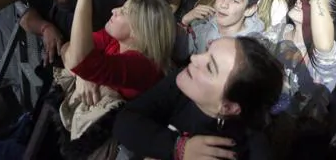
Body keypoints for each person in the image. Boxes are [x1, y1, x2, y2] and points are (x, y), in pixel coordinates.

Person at [113, 36, 284, 159]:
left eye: (210, 67)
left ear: (229, 107)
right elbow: (126, 121)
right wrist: (178, 148)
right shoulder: (183, 81)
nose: (194, 58)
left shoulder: (250, 148)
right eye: (206, 51)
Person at [63, 0, 176, 100]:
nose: (114, 11)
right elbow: (69, 48)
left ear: (138, 30)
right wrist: (84, 76)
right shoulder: (114, 38)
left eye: (123, 12)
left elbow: (79, 60)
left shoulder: (144, 66)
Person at [176, 0, 263, 62]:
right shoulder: (205, 26)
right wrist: (184, 22)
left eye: (235, 1)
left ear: (250, 9)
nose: (224, 4)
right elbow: (181, 55)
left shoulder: (252, 51)